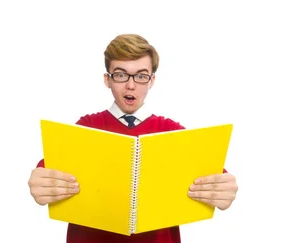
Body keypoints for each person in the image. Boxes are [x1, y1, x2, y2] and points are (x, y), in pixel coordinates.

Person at [27, 34, 238, 243]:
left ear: (151, 80)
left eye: (141, 75)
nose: (130, 85)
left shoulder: (172, 132)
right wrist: (40, 182)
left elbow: (212, 173)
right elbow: (48, 169)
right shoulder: (87, 127)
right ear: (107, 80)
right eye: (120, 75)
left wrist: (225, 189)